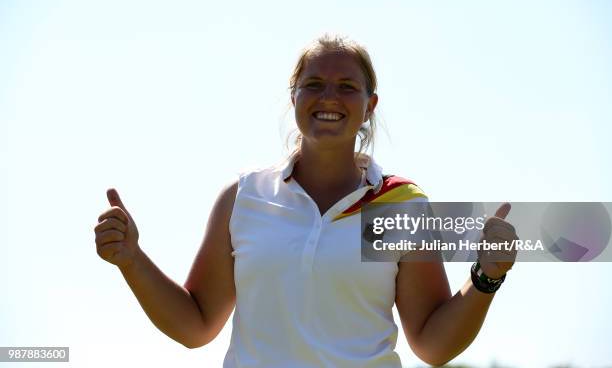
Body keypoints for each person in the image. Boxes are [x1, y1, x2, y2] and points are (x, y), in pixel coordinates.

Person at [94, 34, 519, 367]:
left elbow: (431, 344)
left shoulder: (398, 204)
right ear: (293, 97)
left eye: (347, 87)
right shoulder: (245, 197)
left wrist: (485, 277)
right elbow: (196, 325)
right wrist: (132, 259)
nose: (329, 97)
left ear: (370, 106)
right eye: (313, 84)